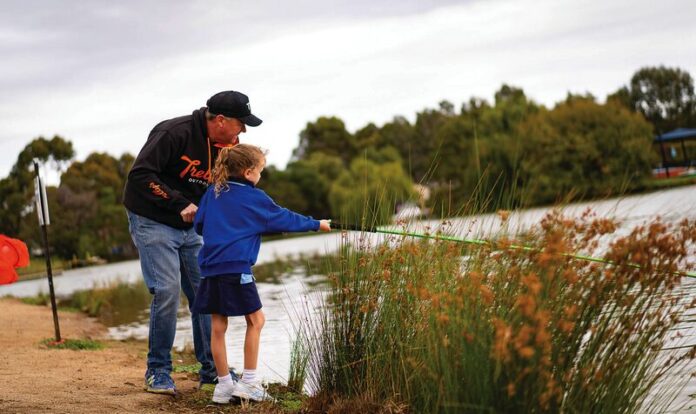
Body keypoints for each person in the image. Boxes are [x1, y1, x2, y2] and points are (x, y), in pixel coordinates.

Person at [123, 91, 263, 395]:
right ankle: (158, 371)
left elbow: (232, 187)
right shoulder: (174, 133)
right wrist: (178, 203)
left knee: (206, 292)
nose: (244, 131)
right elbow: (140, 175)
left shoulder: (229, 146)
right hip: (153, 219)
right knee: (167, 291)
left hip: (194, 226)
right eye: (241, 124)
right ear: (222, 120)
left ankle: (213, 372)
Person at [191, 144, 331, 403]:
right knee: (256, 321)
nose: (260, 176)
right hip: (236, 269)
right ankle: (250, 383)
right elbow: (284, 218)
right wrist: (316, 224)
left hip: (210, 270)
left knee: (218, 325)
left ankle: (222, 387)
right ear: (248, 172)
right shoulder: (255, 197)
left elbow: (199, 225)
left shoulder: (213, 192)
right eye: (260, 170)